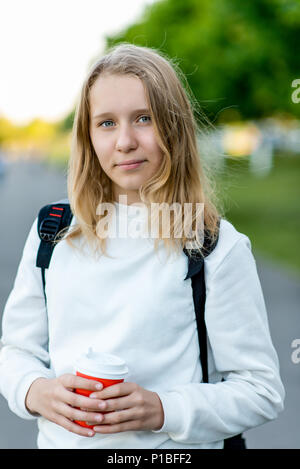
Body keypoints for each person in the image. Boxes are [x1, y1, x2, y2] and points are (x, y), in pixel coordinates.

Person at [0, 43, 284, 449]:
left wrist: (163, 410)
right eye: (107, 123)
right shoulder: (53, 231)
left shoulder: (213, 246)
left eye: (144, 118)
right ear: (88, 136)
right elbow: (14, 351)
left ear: (174, 127)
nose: (125, 141)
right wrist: (33, 389)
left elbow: (261, 390)